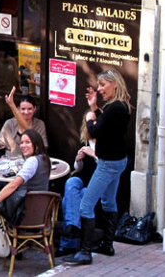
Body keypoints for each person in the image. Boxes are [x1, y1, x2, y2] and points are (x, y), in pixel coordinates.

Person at [65, 69, 133, 265]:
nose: (100, 89)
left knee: (86, 205)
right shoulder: (123, 107)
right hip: (118, 161)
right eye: (99, 85)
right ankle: (107, 244)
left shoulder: (114, 108)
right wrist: (94, 106)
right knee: (108, 201)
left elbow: (96, 131)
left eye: (103, 85)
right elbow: (107, 124)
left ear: (115, 84)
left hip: (108, 163)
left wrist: (89, 118)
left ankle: (85, 252)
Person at [0, 129, 51, 225]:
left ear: (36, 145)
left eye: (27, 142)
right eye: (22, 142)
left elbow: (13, 185)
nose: (23, 146)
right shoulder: (45, 159)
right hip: (41, 215)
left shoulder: (32, 161)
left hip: (24, 216)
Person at [57, 112, 99, 257]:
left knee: (68, 200)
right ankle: (73, 228)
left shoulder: (106, 144)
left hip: (97, 184)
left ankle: (68, 242)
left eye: (94, 121)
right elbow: (78, 169)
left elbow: (106, 167)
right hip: (83, 180)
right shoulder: (85, 142)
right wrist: (78, 160)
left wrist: (94, 155)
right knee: (71, 182)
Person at [0, 87, 48, 158]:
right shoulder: (10, 123)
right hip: (11, 162)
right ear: (18, 109)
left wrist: (12, 106)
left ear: (35, 109)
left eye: (29, 109)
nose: (26, 112)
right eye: (23, 109)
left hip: (32, 162)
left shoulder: (39, 124)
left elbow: (42, 147)